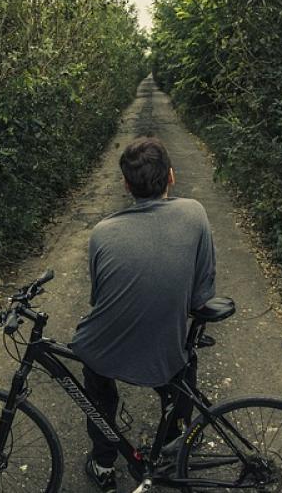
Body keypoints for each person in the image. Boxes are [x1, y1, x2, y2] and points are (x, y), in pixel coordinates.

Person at [70, 136, 217, 492]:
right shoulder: (195, 213)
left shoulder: (102, 233)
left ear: (126, 185)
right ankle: (175, 443)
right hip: (163, 351)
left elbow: (99, 298)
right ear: (171, 176)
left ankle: (104, 463)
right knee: (182, 372)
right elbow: (202, 293)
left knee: (98, 389)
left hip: (106, 347)